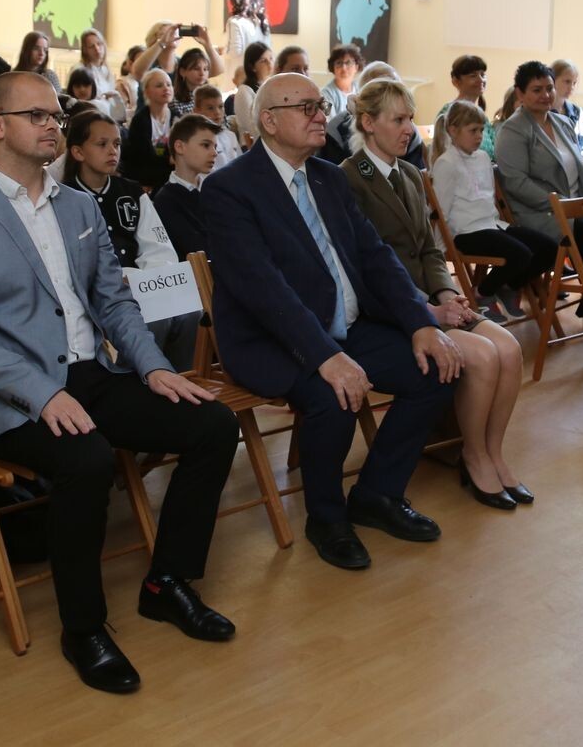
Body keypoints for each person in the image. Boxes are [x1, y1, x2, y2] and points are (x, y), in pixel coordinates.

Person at [0, 72, 239, 694]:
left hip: (91, 374)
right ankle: (84, 628)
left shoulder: (76, 206)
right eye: (36, 115)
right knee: (87, 460)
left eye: (55, 115)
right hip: (13, 394)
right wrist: (43, 393)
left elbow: (114, 303)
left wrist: (154, 366)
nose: (52, 125)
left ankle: (167, 582)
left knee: (213, 423)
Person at [202, 72, 459, 572]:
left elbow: (376, 257)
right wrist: (324, 355)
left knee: (437, 368)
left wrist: (420, 322)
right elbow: (263, 289)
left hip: (345, 325)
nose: (322, 115)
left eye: (321, 105)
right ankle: (326, 518)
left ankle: (378, 494)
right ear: (269, 121)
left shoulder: (328, 177)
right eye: (307, 108)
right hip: (274, 338)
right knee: (333, 394)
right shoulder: (229, 188)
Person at [342, 81, 530, 510]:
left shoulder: (410, 173)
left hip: (432, 296)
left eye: (410, 119)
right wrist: (427, 308)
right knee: (483, 355)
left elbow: (428, 249)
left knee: (509, 348)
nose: (409, 129)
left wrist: (447, 291)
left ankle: (494, 452)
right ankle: (473, 455)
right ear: (368, 123)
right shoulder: (349, 178)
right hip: (391, 309)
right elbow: (363, 268)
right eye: (398, 120)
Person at [63, 109, 201, 371]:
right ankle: (142, 382)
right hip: (99, 293)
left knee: (190, 314)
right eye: (102, 144)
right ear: (78, 152)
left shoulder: (132, 192)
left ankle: (184, 380)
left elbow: (157, 247)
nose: (112, 151)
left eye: (116, 144)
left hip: (144, 286)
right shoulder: (64, 198)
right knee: (153, 319)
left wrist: (150, 281)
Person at [430, 99, 558, 321]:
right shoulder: (446, 163)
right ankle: (482, 293)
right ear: (453, 130)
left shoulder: (482, 157)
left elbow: (488, 197)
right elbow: (441, 209)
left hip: (492, 225)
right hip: (466, 232)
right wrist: (441, 247)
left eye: (481, 130)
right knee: (520, 253)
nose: (479, 136)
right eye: (473, 131)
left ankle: (507, 287)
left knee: (549, 248)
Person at [494, 61, 583, 269]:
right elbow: (516, 183)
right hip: (541, 214)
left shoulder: (564, 123)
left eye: (549, 88)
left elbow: (582, 169)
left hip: (575, 207)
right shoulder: (513, 130)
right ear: (520, 93)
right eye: (537, 90)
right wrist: (563, 205)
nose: (546, 95)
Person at [321, 62, 425, 167]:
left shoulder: (410, 132)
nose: (409, 129)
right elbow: (328, 173)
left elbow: (418, 171)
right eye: (383, 92)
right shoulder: (336, 129)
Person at [153, 114, 219, 262]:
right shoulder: (166, 200)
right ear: (180, 147)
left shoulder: (216, 190)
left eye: (215, 147)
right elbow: (195, 247)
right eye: (206, 145)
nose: (214, 153)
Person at [123, 68, 176, 191]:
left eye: (169, 84)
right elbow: (142, 158)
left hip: (169, 175)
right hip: (145, 178)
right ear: (146, 91)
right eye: (159, 85)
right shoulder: (140, 120)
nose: (166, 88)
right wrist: (169, 160)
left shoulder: (176, 118)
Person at [436, 55, 495, 159]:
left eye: (483, 74)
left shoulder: (481, 115)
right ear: (456, 81)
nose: (481, 80)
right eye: (473, 76)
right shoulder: (449, 112)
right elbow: (443, 149)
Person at [223, 0, 271, 85]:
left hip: (238, 78)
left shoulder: (235, 22)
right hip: (260, 79)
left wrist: (221, 51)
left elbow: (234, 52)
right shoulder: (263, 23)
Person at [76, 29, 128, 123]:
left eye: (99, 44)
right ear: (85, 50)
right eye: (91, 46)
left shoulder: (105, 70)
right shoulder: (80, 70)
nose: (97, 49)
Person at [231, 43, 274, 146]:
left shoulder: (272, 86)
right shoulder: (244, 91)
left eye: (271, 59)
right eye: (263, 61)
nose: (269, 64)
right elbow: (253, 127)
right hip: (252, 145)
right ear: (252, 67)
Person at [191, 85, 239, 168]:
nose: (217, 112)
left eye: (220, 107)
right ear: (196, 111)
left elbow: (240, 163)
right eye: (210, 108)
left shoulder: (230, 135)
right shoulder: (195, 141)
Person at [321, 44, 362, 120]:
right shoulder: (325, 95)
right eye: (339, 63)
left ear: (356, 66)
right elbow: (330, 123)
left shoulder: (361, 89)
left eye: (348, 62)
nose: (344, 68)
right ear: (332, 67)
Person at [169, 47, 211, 118]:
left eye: (205, 69)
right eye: (196, 69)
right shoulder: (175, 100)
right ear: (182, 72)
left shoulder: (211, 95)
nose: (202, 73)